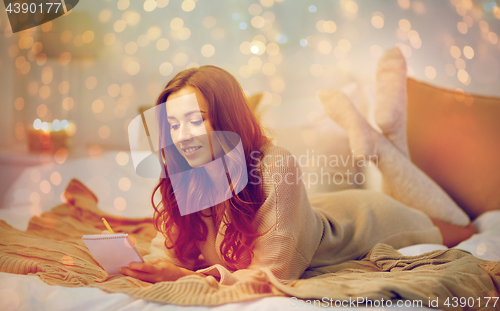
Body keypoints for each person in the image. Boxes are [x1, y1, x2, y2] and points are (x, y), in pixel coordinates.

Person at [119, 56, 477, 284]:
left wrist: (183, 278)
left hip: (367, 221)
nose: (182, 137)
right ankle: (383, 134)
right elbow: (169, 251)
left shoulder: (276, 164)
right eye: (174, 125)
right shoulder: (185, 176)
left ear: (227, 120)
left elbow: (274, 274)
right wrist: (144, 266)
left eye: (196, 120)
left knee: (464, 226)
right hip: (323, 210)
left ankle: (381, 136)